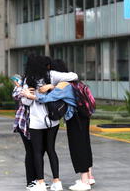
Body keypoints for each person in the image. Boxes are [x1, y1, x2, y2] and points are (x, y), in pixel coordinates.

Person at [26, 59, 95, 191]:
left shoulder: (62, 86)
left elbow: (46, 99)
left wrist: (30, 96)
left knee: (77, 148)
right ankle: (89, 177)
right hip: (83, 117)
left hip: (75, 119)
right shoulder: (73, 83)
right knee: (85, 145)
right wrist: (52, 87)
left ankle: (84, 182)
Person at [20, 55, 63, 191]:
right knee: (51, 150)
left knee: (37, 152)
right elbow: (73, 76)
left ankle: (40, 183)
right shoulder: (51, 76)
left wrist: (27, 95)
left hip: (36, 122)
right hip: (52, 120)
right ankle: (57, 181)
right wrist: (53, 86)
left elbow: (26, 103)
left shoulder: (29, 80)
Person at [11, 74, 37, 189]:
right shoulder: (23, 84)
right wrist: (24, 90)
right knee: (30, 151)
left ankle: (38, 180)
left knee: (37, 152)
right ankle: (30, 181)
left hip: (37, 123)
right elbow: (16, 94)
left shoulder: (41, 83)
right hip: (24, 123)